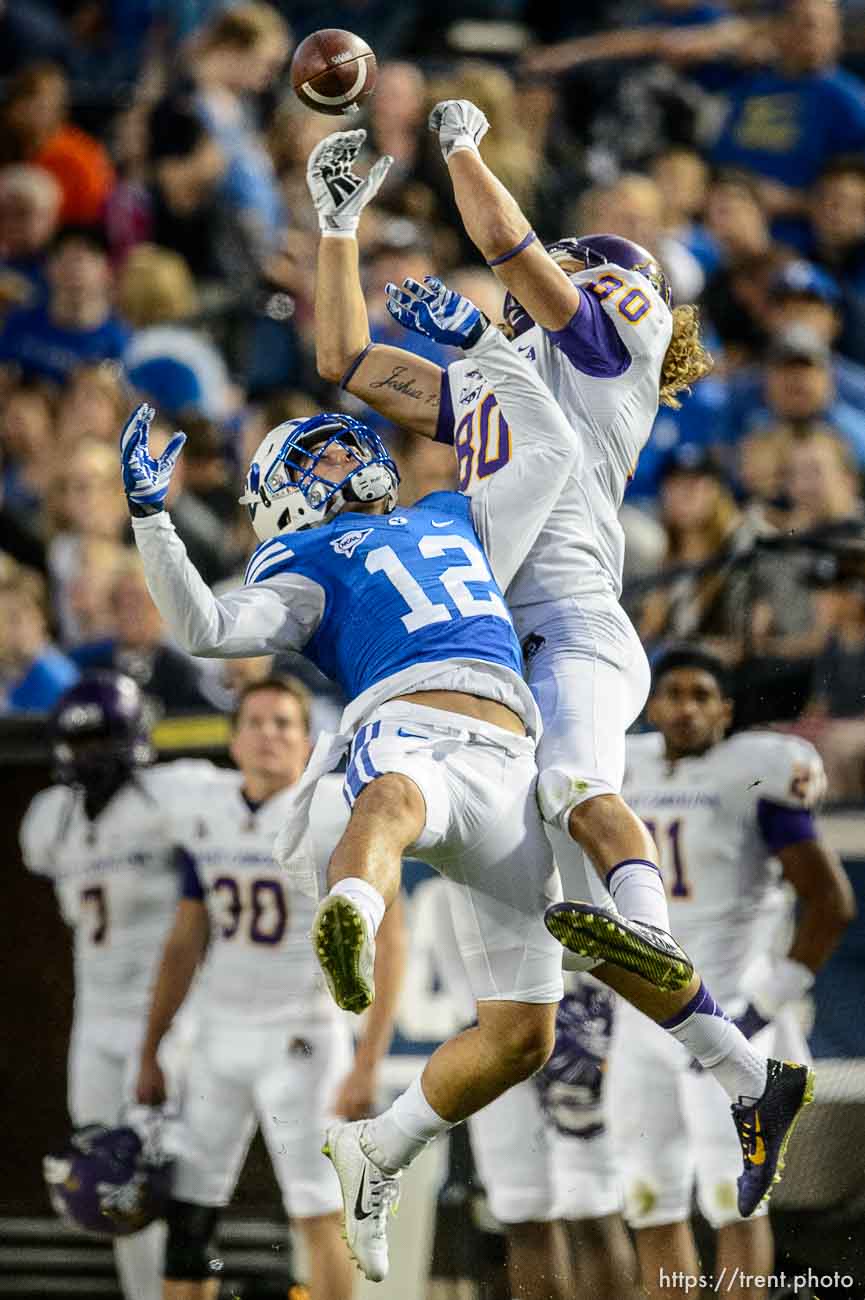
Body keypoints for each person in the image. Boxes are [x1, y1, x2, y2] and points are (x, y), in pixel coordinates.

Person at [305, 117, 814, 1250]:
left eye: (585, 267)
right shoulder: (499, 390)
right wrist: (336, 226)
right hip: (495, 672)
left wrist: (465, 147)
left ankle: (645, 930)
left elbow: (507, 246)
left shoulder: (603, 361)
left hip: (577, 632)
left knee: (576, 783)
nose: (567, 274)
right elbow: (342, 360)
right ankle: (383, 1144)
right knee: (521, 1026)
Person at [135, 675, 406, 1300]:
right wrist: (153, 1042)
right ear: (231, 742)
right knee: (190, 1207)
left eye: (284, 723)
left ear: (307, 741)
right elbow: (184, 940)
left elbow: (390, 940)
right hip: (216, 1033)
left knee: (318, 1208)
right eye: (255, 722)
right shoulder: (204, 806)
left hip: (303, 1036)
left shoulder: (334, 810)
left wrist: (369, 1060)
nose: (269, 735)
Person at [611, 646, 855, 1300]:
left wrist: (762, 1005)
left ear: (724, 708)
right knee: (647, 1197)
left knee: (732, 1197)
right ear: (651, 704)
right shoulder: (619, 764)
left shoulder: (756, 771)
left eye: (700, 695)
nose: (684, 708)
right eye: (673, 694)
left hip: (727, 1015)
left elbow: (830, 902)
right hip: (642, 1023)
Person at [19, 672, 216, 1300]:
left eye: (103, 737)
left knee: (161, 1176)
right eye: (80, 742)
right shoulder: (53, 820)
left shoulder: (170, 798)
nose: (90, 754)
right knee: (108, 1187)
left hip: (162, 1020)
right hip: (94, 1020)